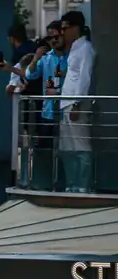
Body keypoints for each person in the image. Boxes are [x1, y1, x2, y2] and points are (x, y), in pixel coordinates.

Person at [15, 22, 70, 189]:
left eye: (55, 37)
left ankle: (64, 183)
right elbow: (30, 75)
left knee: (66, 151)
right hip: (47, 112)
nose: (52, 41)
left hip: (65, 110)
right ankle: (44, 183)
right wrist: (36, 57)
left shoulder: (70, 56)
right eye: (49, 38)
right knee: (45, 150)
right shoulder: (47, 58)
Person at [59, 10, 97, 192]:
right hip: (65, 102)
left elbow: (84, 78)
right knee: (67, 148)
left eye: (65, 28)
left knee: (81, 146)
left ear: (76, 28)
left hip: (75, 104)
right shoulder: (73, 49)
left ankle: (83, 185)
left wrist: (77, 103)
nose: (63, 32)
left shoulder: (86, 48)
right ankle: (72, 184)